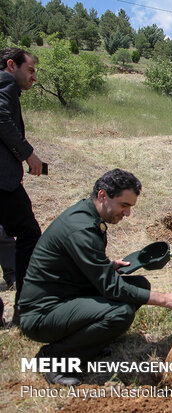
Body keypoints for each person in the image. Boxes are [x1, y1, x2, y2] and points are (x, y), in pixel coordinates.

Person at [18, 169, 172, 386]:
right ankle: (54, 359)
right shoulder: (80, 228)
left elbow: (75, 265)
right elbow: (111, 288)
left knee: (139, 285)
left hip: (66, 296)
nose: (127, 213)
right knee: (120, 312)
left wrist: (106, 267)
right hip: (42, 314)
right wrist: (165, 299)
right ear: (103, 196)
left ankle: (89, 343)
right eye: (124, 205)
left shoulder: (89, 216)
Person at [0, 48, 43, 326]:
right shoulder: (4, 84)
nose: (34, 77)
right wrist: (29, 154)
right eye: (30, 70)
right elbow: (1, 120)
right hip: (2, 184)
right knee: (29, 233)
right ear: (11, 65)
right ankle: (24, 307)